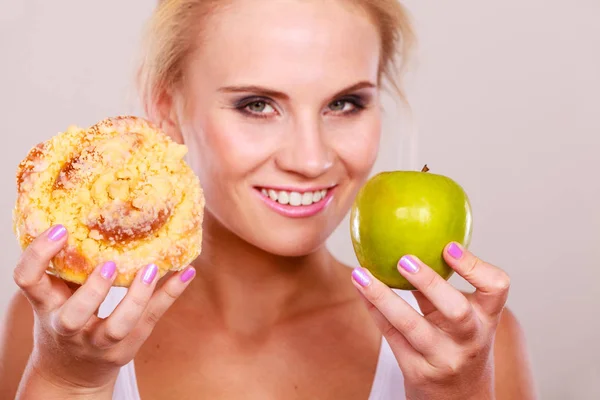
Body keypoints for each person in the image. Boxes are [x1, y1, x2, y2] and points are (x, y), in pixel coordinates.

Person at [0, 0, 537, 399]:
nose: (310, 159)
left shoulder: (464, 348)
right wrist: (67, 381)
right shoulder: (72, 328)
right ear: (166, 107)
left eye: (346, 103)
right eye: (257, 105)